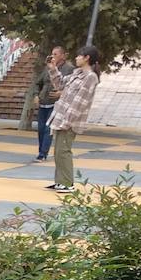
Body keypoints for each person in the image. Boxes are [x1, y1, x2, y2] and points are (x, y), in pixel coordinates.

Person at [45, 44, 101, 194]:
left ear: (87, 58)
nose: (76, 58)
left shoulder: (90, 77)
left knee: (64, 151)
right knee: (58, 151)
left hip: (69, 121)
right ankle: (60, 181)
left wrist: (67, 121)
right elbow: (60, 84)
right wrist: (52, 68)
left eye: (79, 56)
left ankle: (67, 183)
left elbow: (80, 101)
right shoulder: (77, 73)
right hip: (61, 117)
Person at [32, 45, 67, 161]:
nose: (53, 56)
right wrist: (36, 95)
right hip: (43, 102)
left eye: (56, 54)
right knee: (41, 128)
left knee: (48, 129)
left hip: (56, 104)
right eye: (52, 54)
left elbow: (70, 87)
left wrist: (61, 93)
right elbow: (38, 83)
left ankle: (43, 153)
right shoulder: (47, 69)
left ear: (62, 56)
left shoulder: (68, 69)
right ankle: (41, 150)